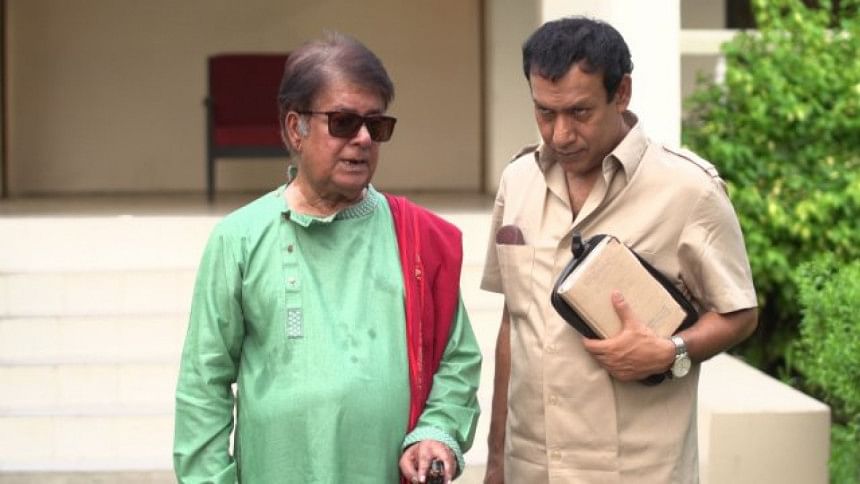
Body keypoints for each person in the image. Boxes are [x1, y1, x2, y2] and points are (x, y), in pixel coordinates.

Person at [174, 32, 481, 484]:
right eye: (343, 122)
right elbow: (204, 386)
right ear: (295, 128)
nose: (363, 139)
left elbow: (457, 359)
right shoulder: (239, 239)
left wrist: (436, 432)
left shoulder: (417, 240)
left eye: (376, 125)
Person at [480, 17, 758, 484]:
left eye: (580, 112)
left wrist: (671, 351)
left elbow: (740, 313)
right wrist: (496, 461)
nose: (561, 134)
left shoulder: (689, 189)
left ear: (622, 92)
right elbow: (514, 322)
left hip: (639, 472)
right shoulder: (517, 180)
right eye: (545, 112)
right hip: (531, 469)